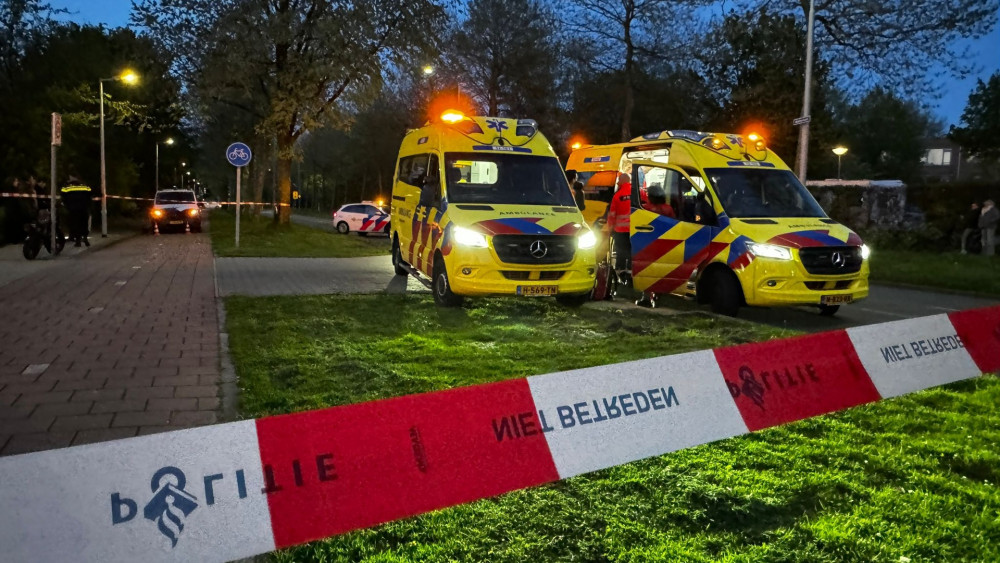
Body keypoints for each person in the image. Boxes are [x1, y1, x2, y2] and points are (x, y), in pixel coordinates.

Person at [607, 172, 632, 278]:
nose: (617, 182)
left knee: (621, 250)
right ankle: (630, 269)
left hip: (620, 230)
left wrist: (610, 228)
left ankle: (620, 270)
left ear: (623, 181)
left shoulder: (617, 196)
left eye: (619, 180)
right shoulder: (638, 193)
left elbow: (612, 214)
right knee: (632, 250)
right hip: (634, 229)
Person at [60, 175, 92, 247]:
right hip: (83, 208)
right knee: (84, 224)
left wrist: (66, 206)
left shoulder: (67, 187)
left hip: (73, 209)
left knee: (76, 225)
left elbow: (63, 196)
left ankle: (78, 241)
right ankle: (85, 239)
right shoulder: (85, 186)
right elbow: (90, 195)